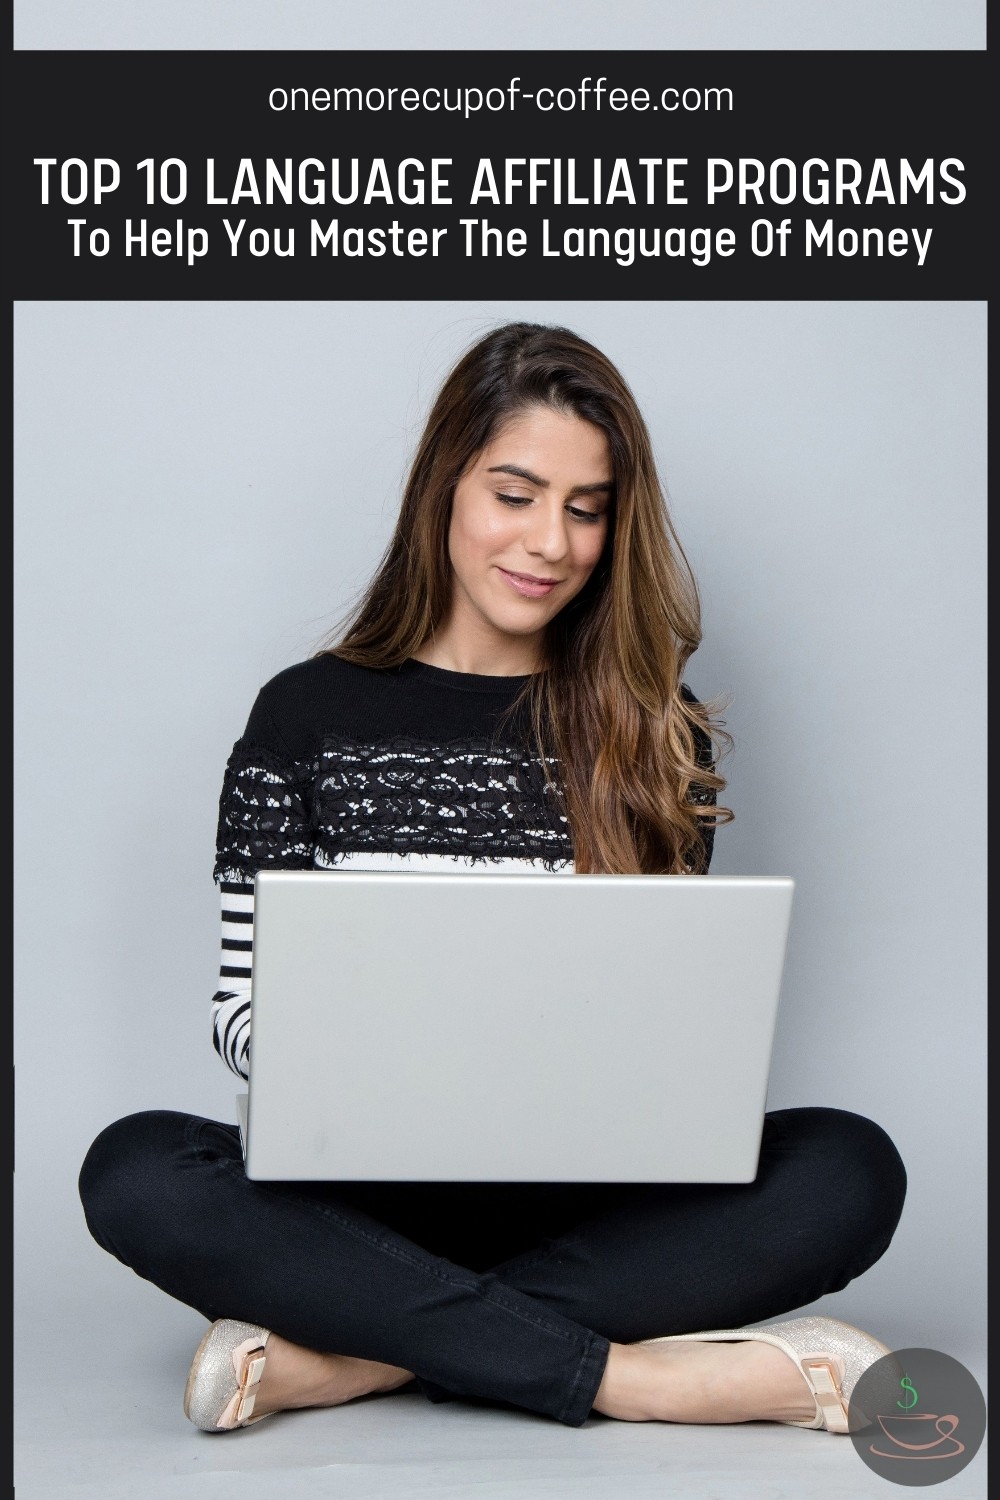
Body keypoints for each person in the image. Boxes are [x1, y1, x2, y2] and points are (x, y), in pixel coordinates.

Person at [79, 321, 906, 1436]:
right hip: (351, 1196)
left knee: (851, 1168)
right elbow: (238, 1007)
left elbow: (671, 1032)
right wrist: (351, 1055)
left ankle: (356, 1352)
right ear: (444, 489)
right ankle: (639, 1378)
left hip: (590, 1205)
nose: (550, 543)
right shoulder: (302, 716)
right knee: (134, 1170)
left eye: (585, 506)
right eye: (514, 493)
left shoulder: (655, 734)